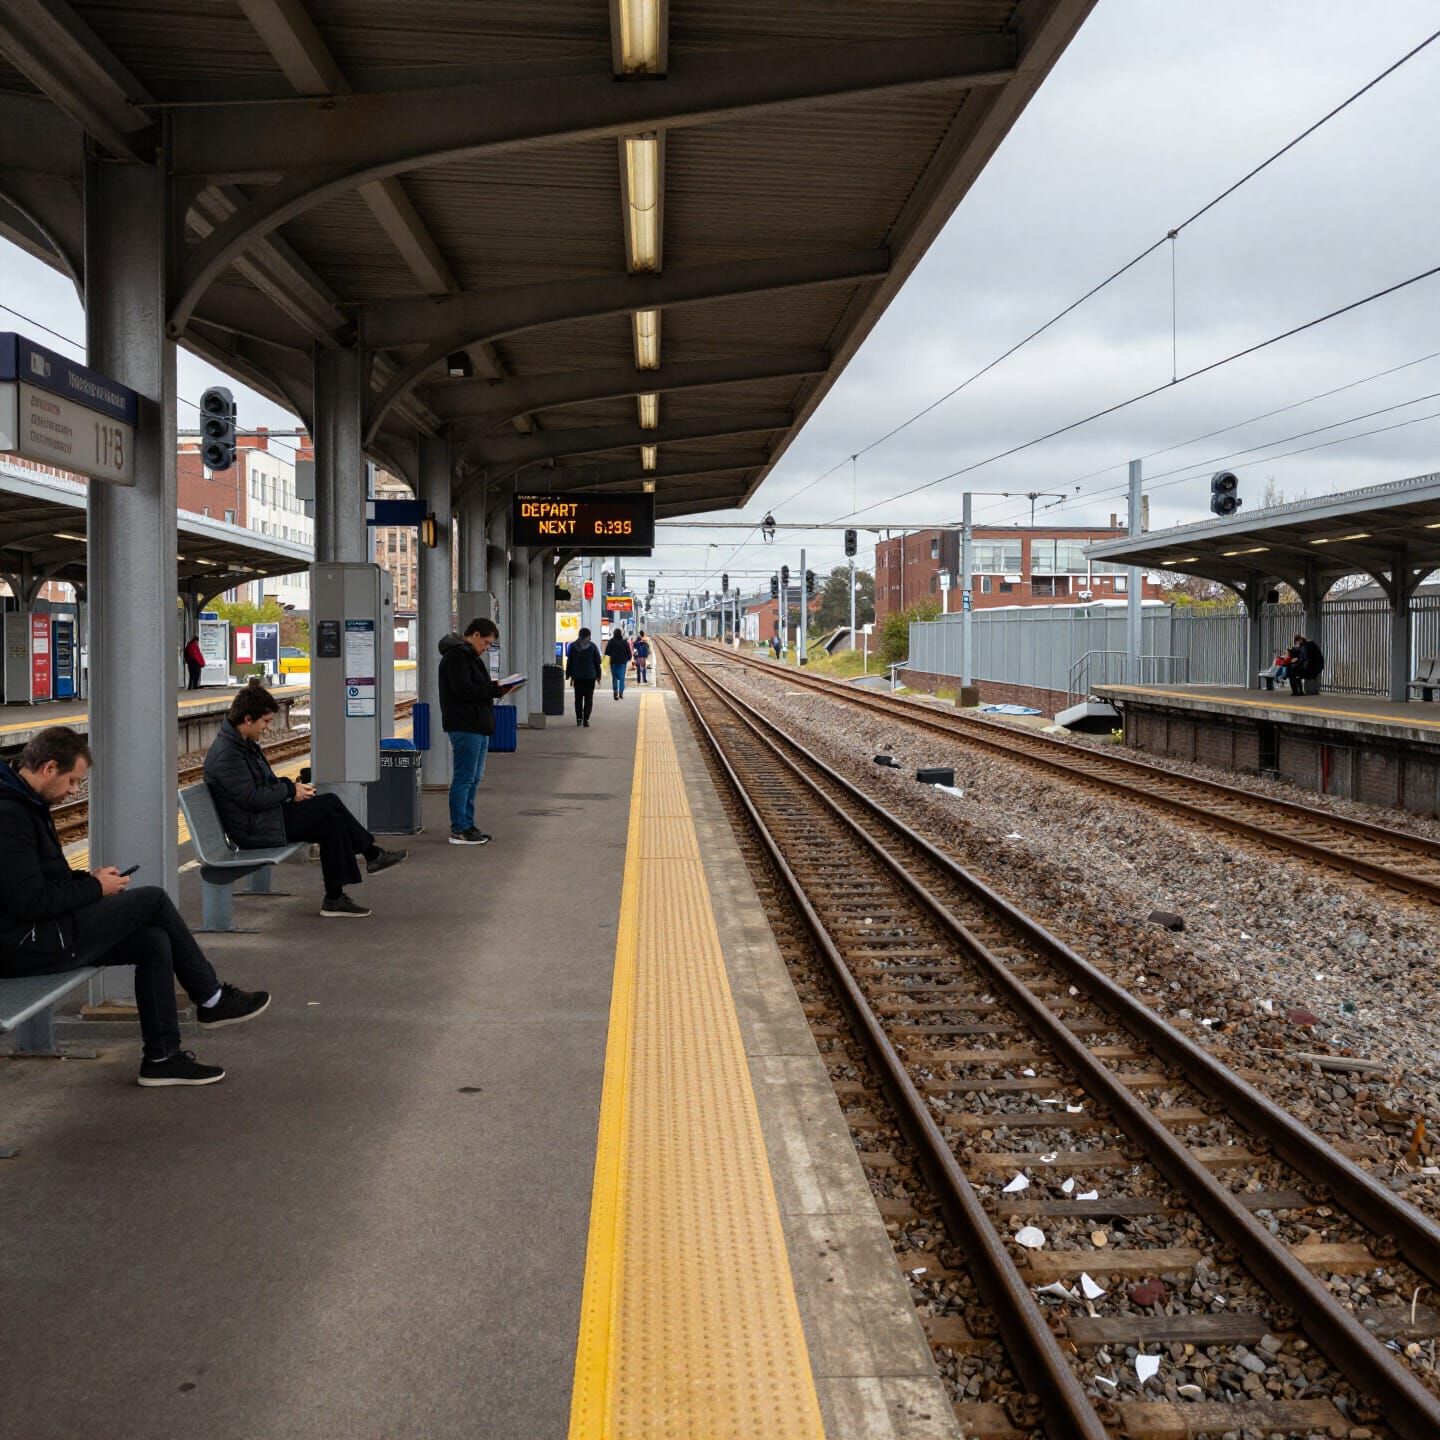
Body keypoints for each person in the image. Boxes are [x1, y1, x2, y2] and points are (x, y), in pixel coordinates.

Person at [0, 726, 270, 1086]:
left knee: (153, 940)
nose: (74, 791)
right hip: (22, 946)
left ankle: (162, 1058)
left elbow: (42, 881)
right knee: (152, 899)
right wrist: (96, 888)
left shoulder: (27, 801)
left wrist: (89, 880)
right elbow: (30, 902)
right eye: (72, 781)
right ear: (49, 768)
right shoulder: (10, 815)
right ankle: (211, 998)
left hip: (39, 933)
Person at [204, 685, 406, 916]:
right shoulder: (228, 754)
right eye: (265, 721)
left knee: (331, 821)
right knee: (329, 804)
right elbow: (252, 798)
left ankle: (335, 897)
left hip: (263, 818)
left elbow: (260, 786)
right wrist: (290, 790)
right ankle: (372, 855)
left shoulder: (241, 745)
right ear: (248, 719)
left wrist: (293, 788)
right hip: (253, 829)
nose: (267, 728)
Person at [439, 618, 504, 845]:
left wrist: (495, 689)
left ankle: (467, 824)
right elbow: (463, 690)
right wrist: (494, 689)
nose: (486, 647)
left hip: (477, 725)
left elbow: (474, 688)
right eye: (486, 642)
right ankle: (459, 828)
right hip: (465, 725)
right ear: (475, 635)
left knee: (473, 778)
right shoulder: (457, 657)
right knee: (464, 778)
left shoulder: (469, 656)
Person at [565, 626, 604, 727]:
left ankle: (579, 718)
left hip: (577, 676)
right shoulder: (592, 646)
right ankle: (586, 719)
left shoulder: (573, 646)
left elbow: (570, 662)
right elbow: (597, 663)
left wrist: (568, 675)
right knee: (588, 698)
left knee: (578, 698)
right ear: (588, 636)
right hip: (590, 676)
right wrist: (598, 676)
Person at [605, 627, 632, 700]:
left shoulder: (611, 641)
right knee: (622, 678)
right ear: (621, 634)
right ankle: (621, 693)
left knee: (614, 678)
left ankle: (615, 692)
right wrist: (628, 659)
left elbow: (607, 652)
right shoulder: (624, 642)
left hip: (613, 663)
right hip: (622, 663)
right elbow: (629, 653)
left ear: (614, 634)